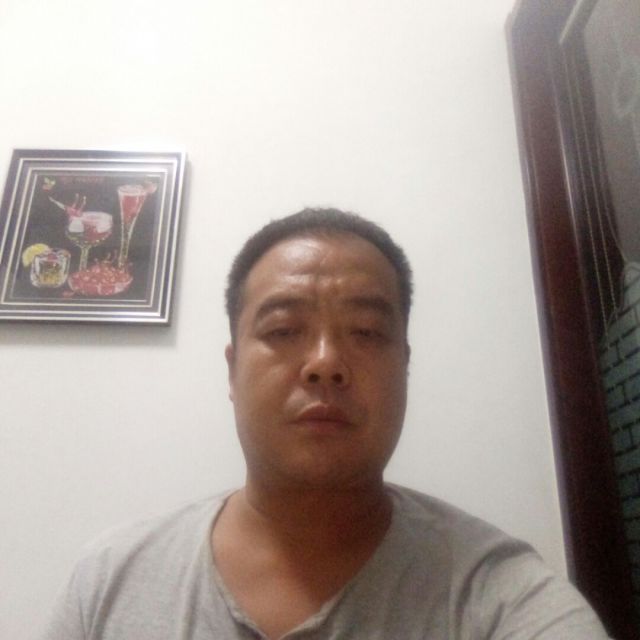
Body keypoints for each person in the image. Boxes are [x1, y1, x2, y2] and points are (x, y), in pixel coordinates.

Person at [41, 208, 611, 639]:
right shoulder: (109, 582)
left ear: (405, 366)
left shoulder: (500, 597)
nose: (325, 363)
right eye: (283, 330)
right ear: (233, 370)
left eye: (365, 332)